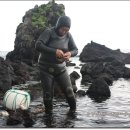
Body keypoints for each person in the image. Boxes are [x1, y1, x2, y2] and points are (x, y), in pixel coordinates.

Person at [35, 15, 78, 113]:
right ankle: (49, 118)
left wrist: (70, 53)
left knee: (69, 91)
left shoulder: (68, 35)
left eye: (67, 30)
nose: (64, 32)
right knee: (48, 94)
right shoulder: (49, 32)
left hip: (61, 69)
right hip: (45, 69)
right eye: (63, 29)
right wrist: (54, 51)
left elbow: (75, 50)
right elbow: (38, 45)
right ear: (58, 26)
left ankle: (74, 114)